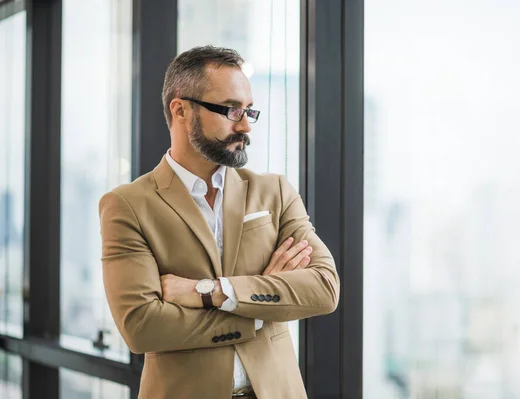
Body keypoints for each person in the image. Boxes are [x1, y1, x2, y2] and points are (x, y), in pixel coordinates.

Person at [99, 45, 340, 399]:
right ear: (180, 110)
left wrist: (214, 292)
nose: (244, 126)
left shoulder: (274, 191)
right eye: (230, 110)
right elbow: (142, 327)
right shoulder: (128, 205)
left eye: (248, 111)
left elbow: (323, 288)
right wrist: (259, 311)